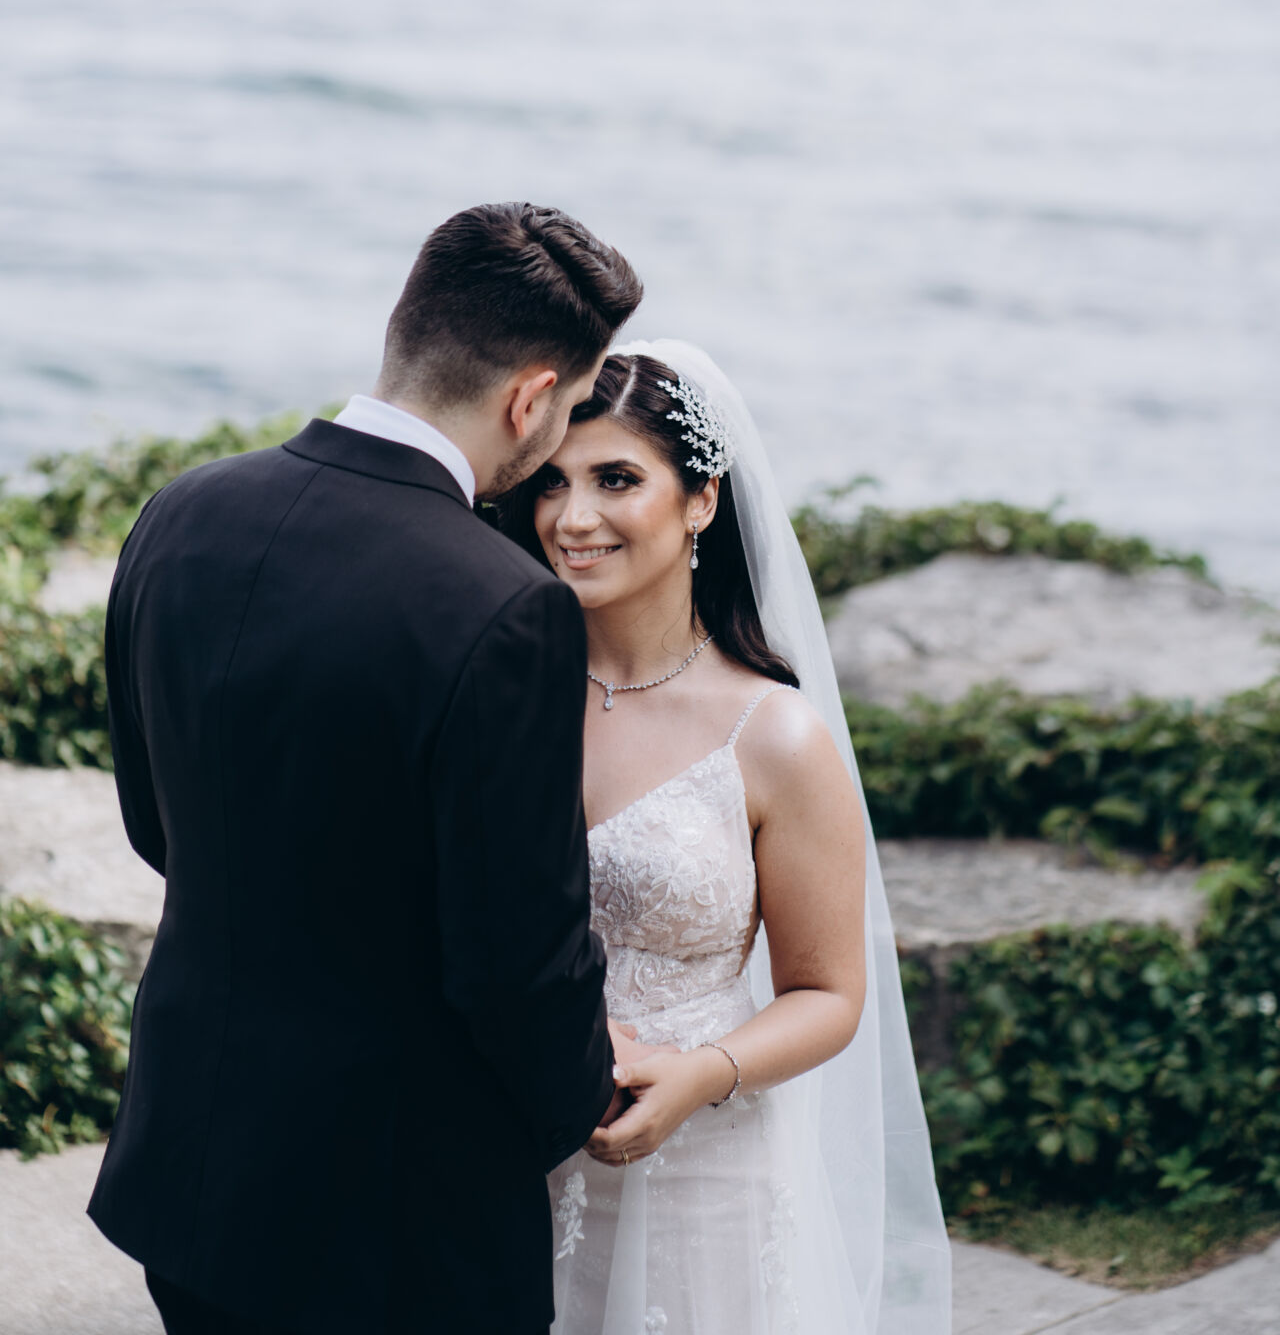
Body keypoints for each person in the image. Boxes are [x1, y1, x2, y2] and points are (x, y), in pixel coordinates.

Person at [88, 202, 643, 1335]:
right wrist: (577, 1100)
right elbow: (514, 957)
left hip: (186, 1165)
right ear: (531, 398)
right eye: (573, 407)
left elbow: (155, 824)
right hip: (391, 1218)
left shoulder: (182, 511)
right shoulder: (506, 608)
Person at [500, 342, 952, 1335]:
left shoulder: (773, 736)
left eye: (616, 479)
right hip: (506, 1151)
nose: (572, 518)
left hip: (699, 1173)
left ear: (701, 499)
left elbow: (827, 995)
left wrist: (700, 1074)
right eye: (551, 483)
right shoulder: (502, 693)